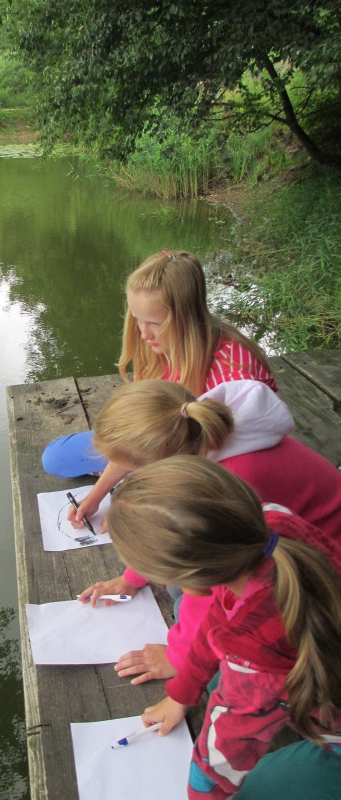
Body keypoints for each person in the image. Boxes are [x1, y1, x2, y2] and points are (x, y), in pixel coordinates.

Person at [77, 378, 341, 683]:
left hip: (319, 567)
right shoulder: (187, 426)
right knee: (176, 582)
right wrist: (131, 579)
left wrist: (176, 657)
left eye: (136, 471)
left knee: (215, 669)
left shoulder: (227, 481)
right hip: (281, 539)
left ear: (168, 462)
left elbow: (211, 576)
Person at [107, 457, 341, 800]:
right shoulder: (269, 525)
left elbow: (222, 760)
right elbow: (217, 619)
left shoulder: (253, 659)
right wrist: (181, 692)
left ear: (186, 581)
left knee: (259, 789)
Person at [42, 249, 276, 479]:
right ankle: (133, 468)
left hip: (205, 460)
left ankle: (135, 470)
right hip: (155, 441)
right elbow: (139, 427)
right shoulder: (158, 344)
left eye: (155, 323)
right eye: (137, 319)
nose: (144, 334)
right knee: (55, 457)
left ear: (187, 317)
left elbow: (232, 463)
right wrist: (96, 494)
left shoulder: (235, 373)